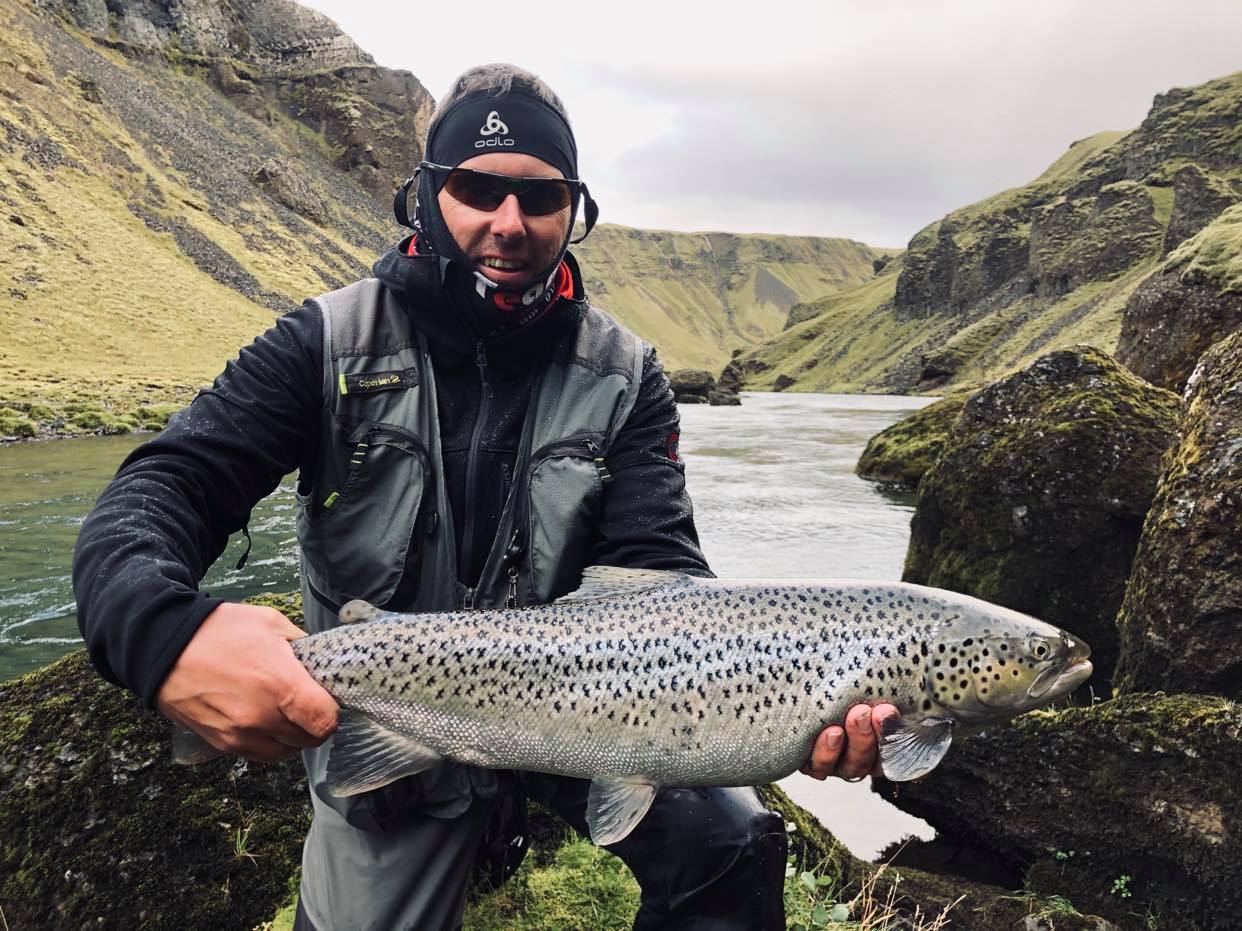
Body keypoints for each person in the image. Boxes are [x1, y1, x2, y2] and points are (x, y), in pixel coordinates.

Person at [73, 63, 898, 931]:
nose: (511, 223)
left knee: (730, 845)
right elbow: (166, 487)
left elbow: (659, 571)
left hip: (589, 715)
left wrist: (779, 708)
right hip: (398, 708)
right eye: (477, 189)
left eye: (542, 198)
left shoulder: (627, 375)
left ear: (574, 211)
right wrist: (164, 635)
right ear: (425, 197)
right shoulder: (324, 343)